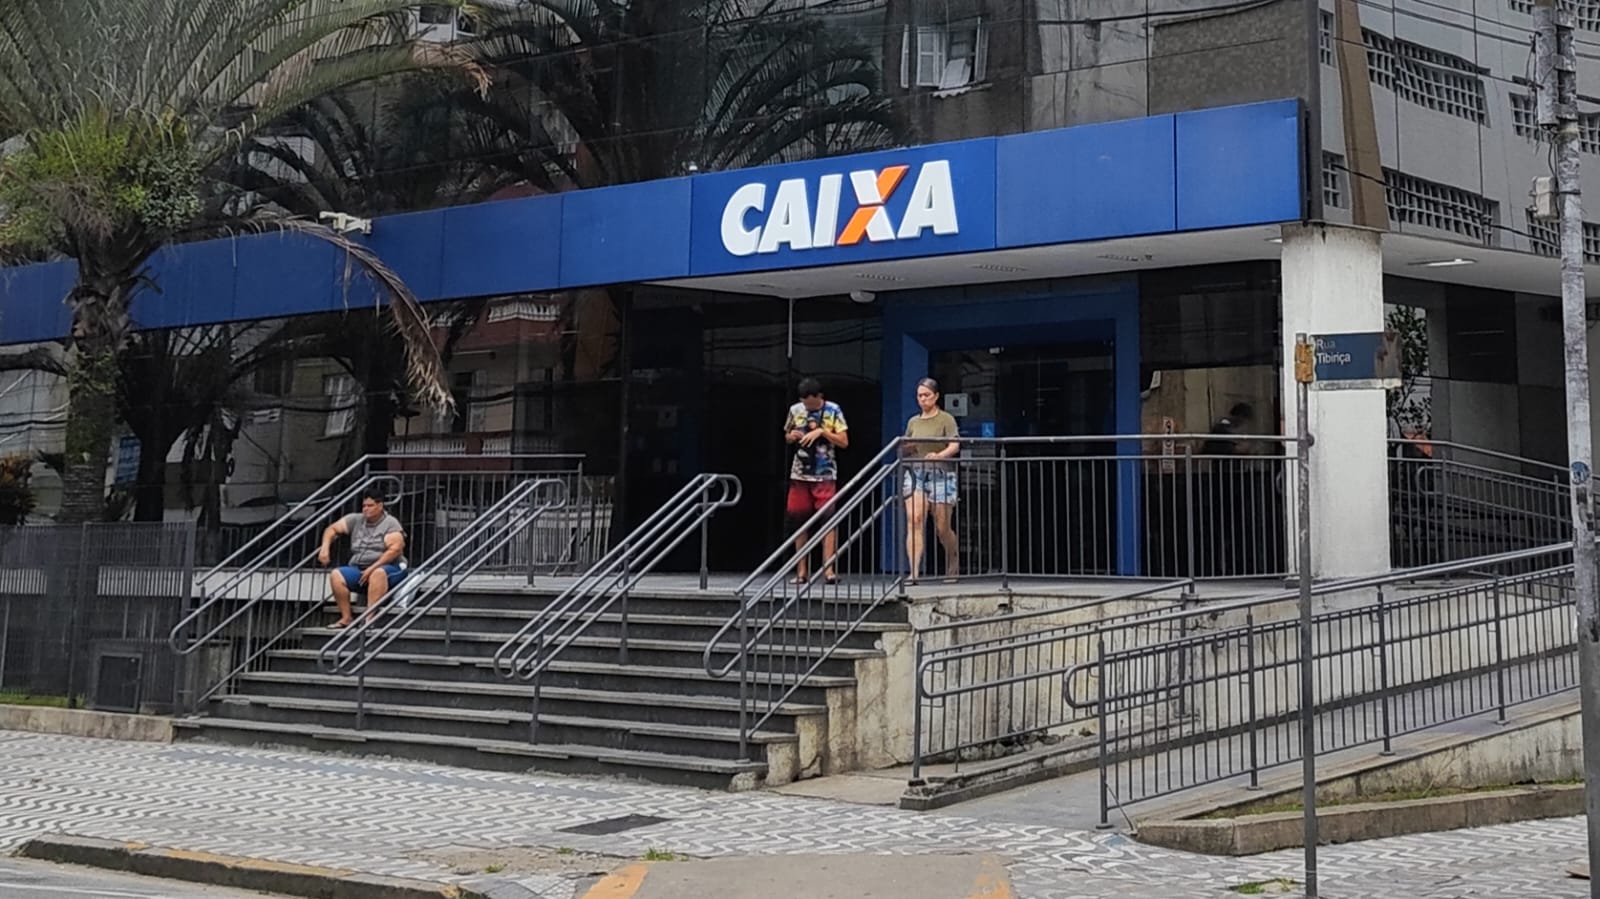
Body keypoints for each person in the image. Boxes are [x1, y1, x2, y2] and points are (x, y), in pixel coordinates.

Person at [784, 377, 849, 583]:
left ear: (820, 397)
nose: (808, 407)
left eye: (812, 404)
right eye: (805, 403)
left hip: (825, 473)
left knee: (828, 520)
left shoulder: (833, 410)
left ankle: (828, 569)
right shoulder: (795, 410)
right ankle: (801, 571)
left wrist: (823, 432)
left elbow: (844, 441)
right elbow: (787, 435)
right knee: (799, 520)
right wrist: (792, 436)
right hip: (799, 473)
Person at [318, 490, 408, 628]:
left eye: (370, 506)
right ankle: (346, 618)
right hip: (359, 568)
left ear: (380, 506)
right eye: (364, 506)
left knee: (377, 573)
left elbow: (395, 550)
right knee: (336, 575)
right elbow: (332, 529)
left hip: (390, 568)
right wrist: (325, 548)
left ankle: (369, 618)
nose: (366, 509)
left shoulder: (391, 523)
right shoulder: (356, 519)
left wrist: (372, 568)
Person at [902, 377, 961, 584]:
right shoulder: (913, 421)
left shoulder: (946, 419)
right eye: (919, 396)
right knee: (915, 519)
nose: (923, 399)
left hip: (941, 473)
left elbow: (954, 445)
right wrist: (908, 447)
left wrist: (939, 455)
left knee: (942, 526)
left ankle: (953, 561)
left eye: (927, 395)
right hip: (916, 472)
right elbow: (905, 445)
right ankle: (913, 572)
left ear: (936, 396)